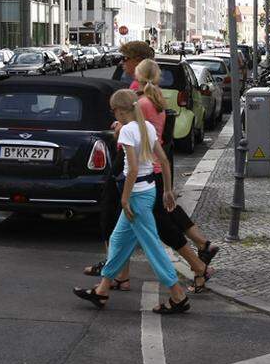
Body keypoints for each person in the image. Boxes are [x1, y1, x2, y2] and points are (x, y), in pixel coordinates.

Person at [85, 51, 217, 291]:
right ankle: (112, 278)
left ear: (138, 70)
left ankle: (186, 280)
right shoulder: (155, 100)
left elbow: (135, 136)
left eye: (127, 60)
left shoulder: (142, 103)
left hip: (138, 173)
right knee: (132, 228)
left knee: (149, 231)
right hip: (150, 171)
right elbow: (159, 151)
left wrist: (119, 128)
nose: (123, 63)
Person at [74, 89, 190, 314]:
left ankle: (178, 294)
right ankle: (102, 289)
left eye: (113, 110)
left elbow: (133, 168)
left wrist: (124, 199)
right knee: (118, 240)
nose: (113, 114)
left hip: (136, 195)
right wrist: (167, 190)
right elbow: (163, 160)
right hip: (149, 190)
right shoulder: (146, 126)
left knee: (153, 246)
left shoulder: (127, 130)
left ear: (118, 110)